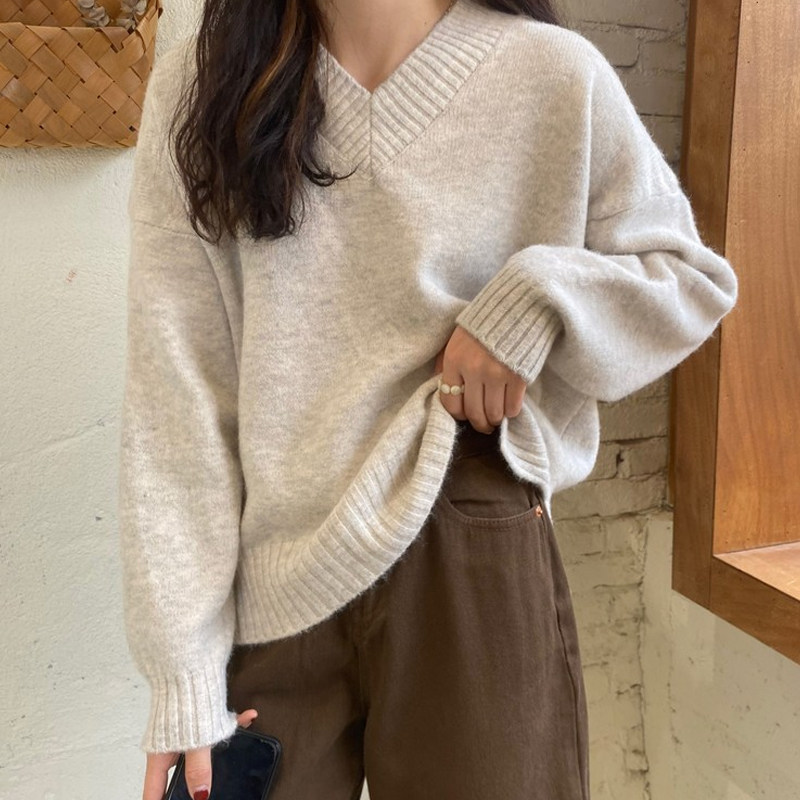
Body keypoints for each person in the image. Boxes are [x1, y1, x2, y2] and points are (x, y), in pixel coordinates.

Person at [117, 0, 738, 798]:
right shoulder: (205, 88)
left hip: (470, 538)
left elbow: (685, 279)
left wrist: (534, 303)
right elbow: (177, 398)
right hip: (276, 578)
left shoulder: (552, 74)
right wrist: (181, 668)